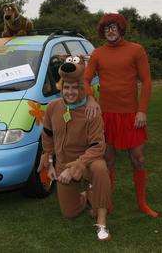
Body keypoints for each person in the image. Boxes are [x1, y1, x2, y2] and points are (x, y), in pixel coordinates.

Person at [83, 13, 159, 218]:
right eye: (107, 27)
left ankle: (142, 203)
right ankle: (106, 203)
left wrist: (142, 110)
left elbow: (147, 82)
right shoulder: (98, 54)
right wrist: (90, 99)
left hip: (132, 115)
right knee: (108, 161)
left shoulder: (136, 50)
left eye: (114, 26)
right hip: (107, 116)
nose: (111, 30)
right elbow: (85, 80)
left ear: (121, 29)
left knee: (138, 159)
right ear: (102, 31)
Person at [38, 56, 112, 241]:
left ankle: (101, 223)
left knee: (100, 169)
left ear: (81, 88)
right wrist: (50, 162)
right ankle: (87, 195)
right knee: (69, 213)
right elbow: (47, 136)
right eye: (66, 87)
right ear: (61, 88)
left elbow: (98, 146)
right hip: (64, 165)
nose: (70, 92)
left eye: (74, 88)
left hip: (88, 161)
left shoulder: (92, 110)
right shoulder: (53, 107)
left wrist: (77, 166)